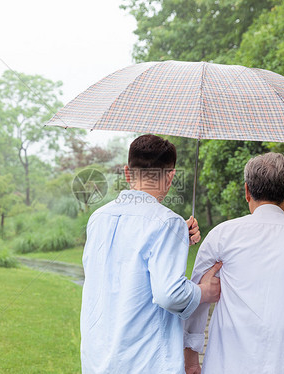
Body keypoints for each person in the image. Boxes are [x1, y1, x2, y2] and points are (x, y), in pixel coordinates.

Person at [184, 152, 284, 374]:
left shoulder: (222, 236)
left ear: (247, 191)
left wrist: (191, 358)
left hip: (228, 364)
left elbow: (197, 299)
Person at [80, 134, 222, 374]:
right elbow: (170, 295)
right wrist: (204, 291)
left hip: (98, 358)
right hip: (145, 361)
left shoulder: (99, 218)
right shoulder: (167, 222)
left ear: (127, 172)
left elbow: (121, 265)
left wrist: (177, 241)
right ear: (170, 176)